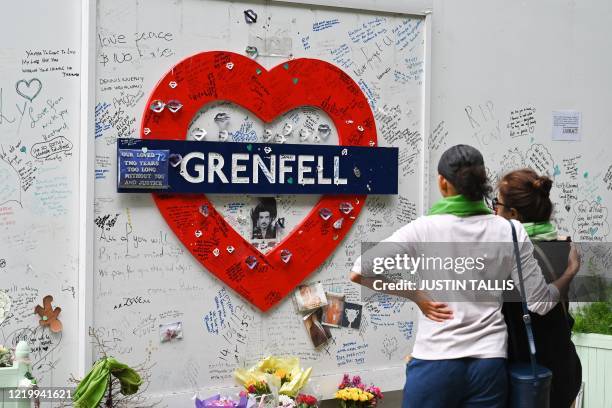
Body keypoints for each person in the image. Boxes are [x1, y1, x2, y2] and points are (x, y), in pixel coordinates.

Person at [349, 145, 581, 408]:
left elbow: (359, 271)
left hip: (434, 362)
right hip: (489, 365)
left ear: (442, 183)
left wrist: (416, 297)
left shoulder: (424, 229)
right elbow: (540, 302)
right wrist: (570, 272)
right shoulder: (510, 232)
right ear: (482, 182)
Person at [495, 168, 582, 408]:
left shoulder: (509, 254)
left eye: (497, 204)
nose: (494, 210)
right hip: (565, 370)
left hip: (527, 378)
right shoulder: (564, 247)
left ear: (513, 213)